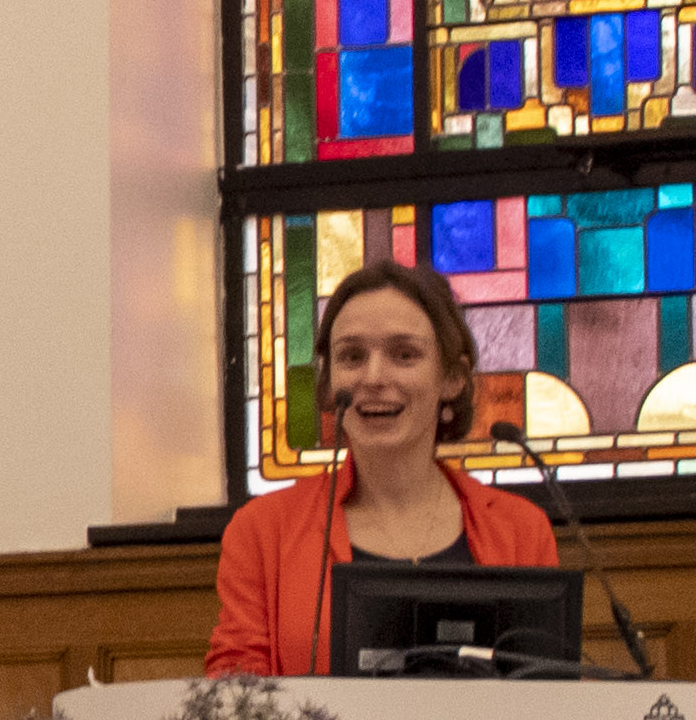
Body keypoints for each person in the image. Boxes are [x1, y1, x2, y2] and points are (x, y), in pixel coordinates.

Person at [205, 254, 563, 676]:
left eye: (404, 355)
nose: (373, 377)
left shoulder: (521, 531)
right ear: (329, 382)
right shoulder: (264, 531)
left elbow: (544, 692)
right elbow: (235, 691)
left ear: (452, 377)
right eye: (352, 357)